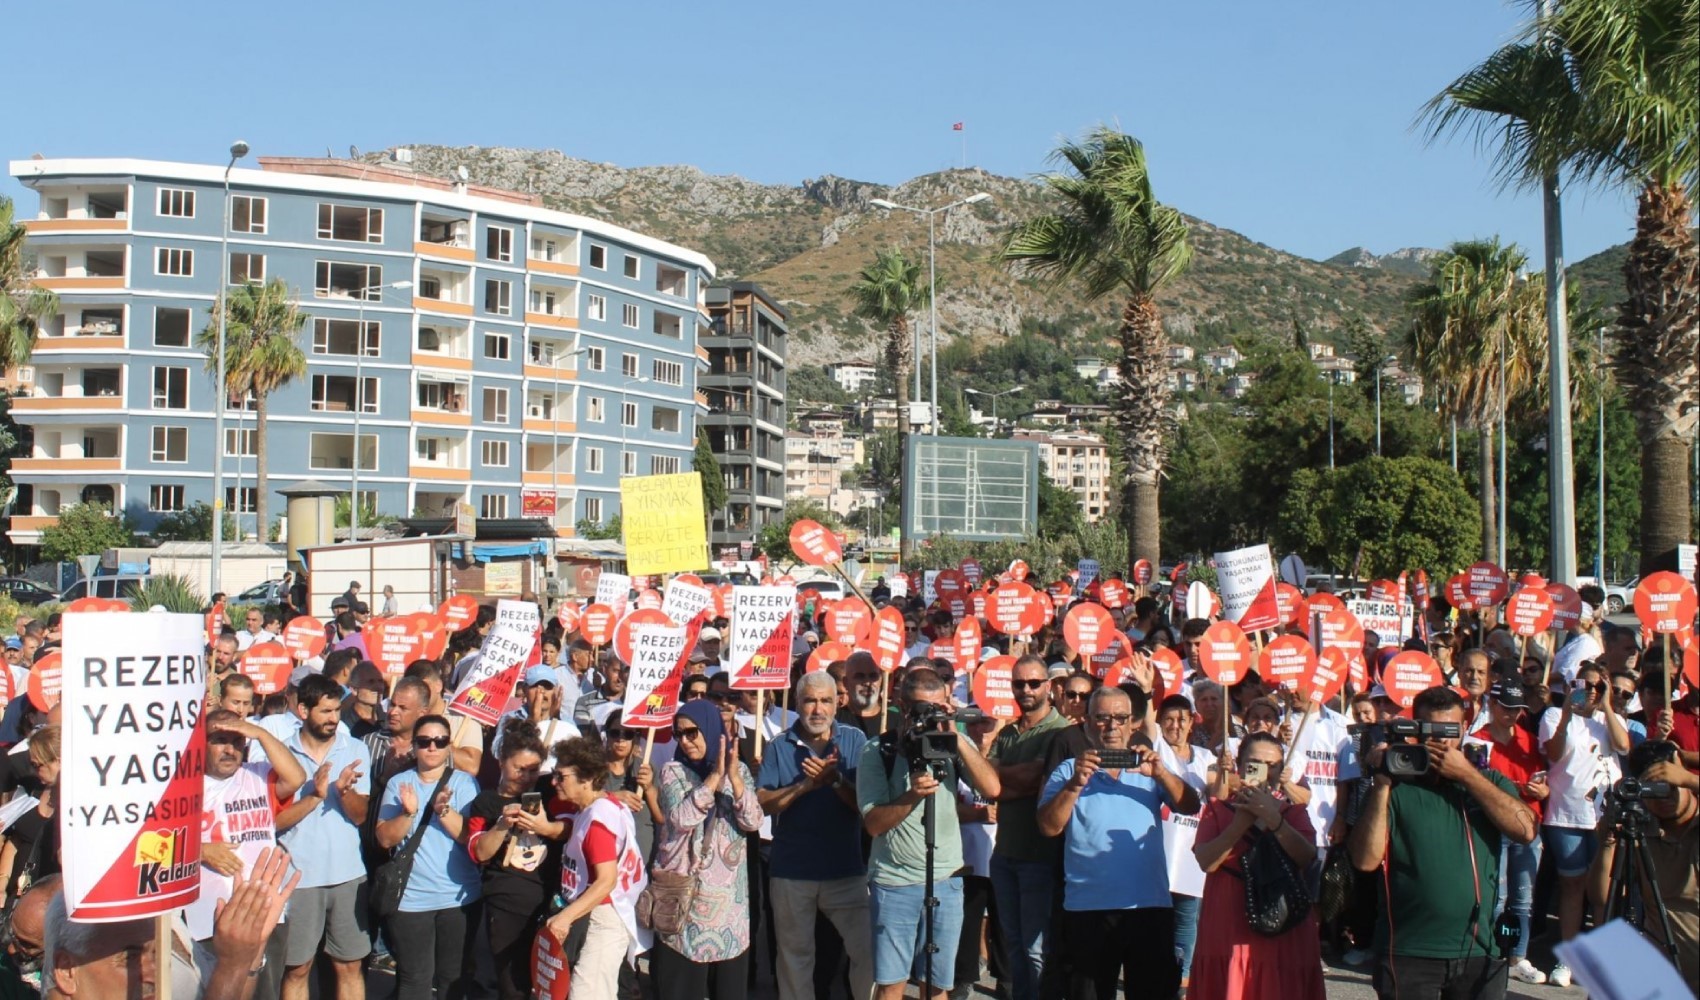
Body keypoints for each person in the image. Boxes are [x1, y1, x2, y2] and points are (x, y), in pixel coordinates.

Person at [1349, 685, 1538, 1000]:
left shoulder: (1487, 782)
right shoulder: (1396, 786)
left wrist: (1467, 776)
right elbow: (1364, 860)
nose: (1441, 741)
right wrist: (1381, 782)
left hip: (1478, 950)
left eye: (1449, 730)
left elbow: (1526, 830)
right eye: (1430, 730)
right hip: (1408, 950)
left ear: (1464, 729)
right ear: (1416, 731)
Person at [1037, 686, 1200, 1000]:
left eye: (1120, 718)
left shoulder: (1151, 767)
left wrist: (1162, 774)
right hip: (1088, 908)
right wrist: (1075, 785)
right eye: (1102, 718)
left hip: (1147, 906)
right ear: (1087, 722)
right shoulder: (1068, 770)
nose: (1111, 726)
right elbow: (1047, 827)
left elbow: (1191, 805)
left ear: (1133, 723)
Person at [858, 669, 1001, 1000]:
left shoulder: (953, 742)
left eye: (938, 706)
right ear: (901, 706)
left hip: (946, 878)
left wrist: (953, 734)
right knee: (892, 983)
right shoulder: (879, 750)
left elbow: (993, 788)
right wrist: (911, 796)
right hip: (894, 881)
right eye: (923, 708)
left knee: (937, 985)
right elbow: (874, 824)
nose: (931, 715)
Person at [44, 845, 298, 1000]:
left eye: (157, 953)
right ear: (67, 971)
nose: (156, 973)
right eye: (130, 957)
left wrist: (247, 956)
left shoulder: (168, 924)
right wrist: (233, 966)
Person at [757, 671, 874, 1000]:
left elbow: (866, 806)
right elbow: (763, 803)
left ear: (838, 703)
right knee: (795, 960)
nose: (818, 709)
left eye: (825, 700)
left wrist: (835, 780)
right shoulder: (779, 745)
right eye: (810, 700)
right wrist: (804, 786)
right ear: (797, 704)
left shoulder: (854, 741)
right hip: (791, 873)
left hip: (846, 872)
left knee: (868, 953)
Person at [1189, 731, 1324, 1000]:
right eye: (1255, 763)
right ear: (1239, 766)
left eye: (1272, 765)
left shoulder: (1293, 811)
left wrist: (1273, 818)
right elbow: (1207, 861)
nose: (1264, 771)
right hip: (1228, 921)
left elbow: (1306, 857)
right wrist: (1240, 823)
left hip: (1282, 921)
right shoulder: (1217, 808)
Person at [651, 699, 764, 998]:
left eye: (692, 733)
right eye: (679, 734)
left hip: (730, 913)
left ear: (712, 730)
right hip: (685, 907)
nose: (685, 741)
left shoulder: (737, 769)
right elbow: (681, 818)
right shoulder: (673, 771)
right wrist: (714, 776)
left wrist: (735, 780)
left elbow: (753, 821)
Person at [191, 710, 307, 999]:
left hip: (265, 909)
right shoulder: (183, 786)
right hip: (210, 914)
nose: (230, 749)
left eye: (237, 741)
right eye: (220, 740)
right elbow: (155, 843)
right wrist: (200, 851)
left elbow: (296, 778)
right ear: (201, 744)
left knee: (265, 991)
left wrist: (261, 734)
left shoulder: (257, 774)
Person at [277, 674, 372, 1000]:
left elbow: (360, 816)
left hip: (347, 876)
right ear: (303, 710)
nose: (334, 719)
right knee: (297, 968)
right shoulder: (280, 754)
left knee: (349, 966)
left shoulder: (355, 749)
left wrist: (344, 793)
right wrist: (315, 797)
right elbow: (271, 822)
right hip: (297, 879)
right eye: (325, 711)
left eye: (336, 711)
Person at [375, 712, 482, 999]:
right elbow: (385, 838)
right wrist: (408, 813)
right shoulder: (399, 784)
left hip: (458, 897)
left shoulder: (465, 784)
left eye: (439, 741)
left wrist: (444, 811)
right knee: (414, 979)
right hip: (411, 900)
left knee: (453, 978)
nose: (432, 747)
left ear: (449, 745)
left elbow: (469, 839)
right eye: (424, 741)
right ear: (414, 745)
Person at [1539, 661, 1631, 986]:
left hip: (1604, 818)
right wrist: (1566, 713)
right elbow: (1554, 753)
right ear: (1571, 686)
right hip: (1566, 814)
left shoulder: (1612, 719)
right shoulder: (1552, 716)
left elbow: (1623, 746)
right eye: (1585, 685)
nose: (1590, 691)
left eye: (1597, 686)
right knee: (1572, 887)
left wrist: (1606, 705)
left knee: (1603, 893)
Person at [985, 653, 1068, 998]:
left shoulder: (1060, 733)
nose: (1026, 689)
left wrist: (998, 780)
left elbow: (1036, 779)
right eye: (1019, 683)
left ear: (1048, 686)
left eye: (1034, 683)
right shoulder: (1006, 733)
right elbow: (984, 784)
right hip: (1004, 853)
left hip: (1039, 855)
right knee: (1015, 943)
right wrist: (1005, 782)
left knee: (1036, 948)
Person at [544, 737, 651, 1000]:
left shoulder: (597, 821)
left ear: (587, 778)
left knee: (587, 993)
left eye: (561, 776)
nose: (554, 782)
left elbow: (606, 881)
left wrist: (564, 918)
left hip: (605, 917)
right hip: (599, 913)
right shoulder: (600, 806)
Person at [1586, 739, 1699, 984]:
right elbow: (1602, 897)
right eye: (1654, 788)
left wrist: (1691, 779)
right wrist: (1608, 841)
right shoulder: (1639, 829)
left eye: (1670, 785)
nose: (1664, 797)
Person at [468, 718, 565, 1000]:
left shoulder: (549, 791)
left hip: (549, 903)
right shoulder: (486, 801)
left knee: (545, 982)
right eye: (519, 769)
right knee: (511, 984)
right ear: (501, 762)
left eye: (533, 770)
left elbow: (575, 822)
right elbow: (479, 853)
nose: (526, 777)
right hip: (506, 905)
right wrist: (501, 825)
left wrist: (546, 827)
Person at [1469, 680, 1550, 984]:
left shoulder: (1529, 741)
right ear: (1493, 704)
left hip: (1529, 826)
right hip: (1495, 827)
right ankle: (1492, 953)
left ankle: (1518, 956)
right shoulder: (1478, 741)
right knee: (1498, 896)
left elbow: (1543, 782)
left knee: (1523, 899)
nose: (1512, 714)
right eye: (1507, 707)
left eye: (1517, 709)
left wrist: (1542, 790)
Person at [1156, 694, 1215, 987]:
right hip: (1157, 854)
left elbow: (1220, 792)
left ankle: (1183, 978)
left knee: (1187, 918)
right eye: (1168, 719)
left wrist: (1225, 775)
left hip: (1192, 856)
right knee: (1154, 920)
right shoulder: (1156, 750)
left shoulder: (1206, 758)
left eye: (1182, 719)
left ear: (1192, 722)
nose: (1175, 726)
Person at [0, 726, 60, 901]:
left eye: (37, 765)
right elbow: (15, 840)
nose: (33, 771)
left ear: (58, 761)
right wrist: (2, 885)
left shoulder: (75, 805)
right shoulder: (33, 790)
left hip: (45, 901)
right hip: (14, 899)